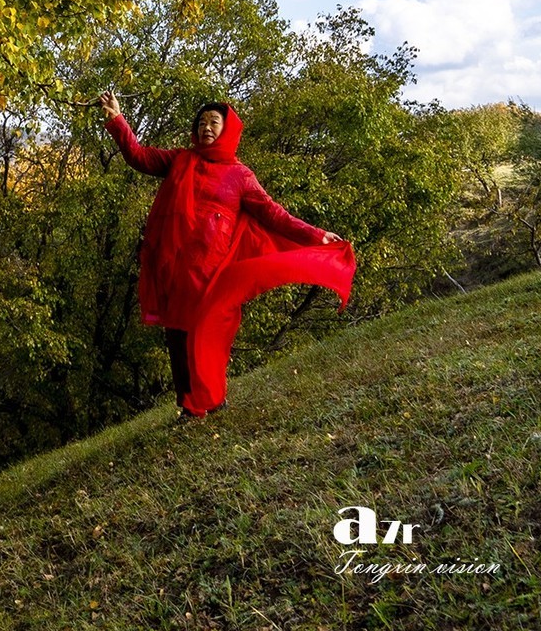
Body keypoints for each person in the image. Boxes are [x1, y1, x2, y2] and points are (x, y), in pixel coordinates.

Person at [97, 92, 355, 420]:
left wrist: (315, 234)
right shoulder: (180, 159)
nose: (206, 128)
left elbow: (274, 215)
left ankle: (213, 399)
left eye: (214, 123)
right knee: (176, 334)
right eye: (202, 123)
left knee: (205, 333)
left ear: (227, 129)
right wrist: (118, 120)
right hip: (175, 265)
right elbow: (139, 156)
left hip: (210, 269)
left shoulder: (240, 175)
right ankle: (189, 405)